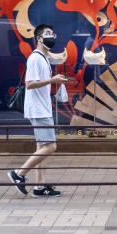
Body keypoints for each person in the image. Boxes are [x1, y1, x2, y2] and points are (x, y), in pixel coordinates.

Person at [7, 25, 71, 198]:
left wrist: (55, 81)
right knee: (51, 146)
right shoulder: (35, 58)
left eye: (53, 33)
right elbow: (30, 83)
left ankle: (39, 187)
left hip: (42, 108)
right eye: (48, 34)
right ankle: (18, 174)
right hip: (39, 110)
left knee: (41, 147)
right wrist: (52, 79)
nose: (52, 36)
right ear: (39, 39)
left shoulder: (43, 57)